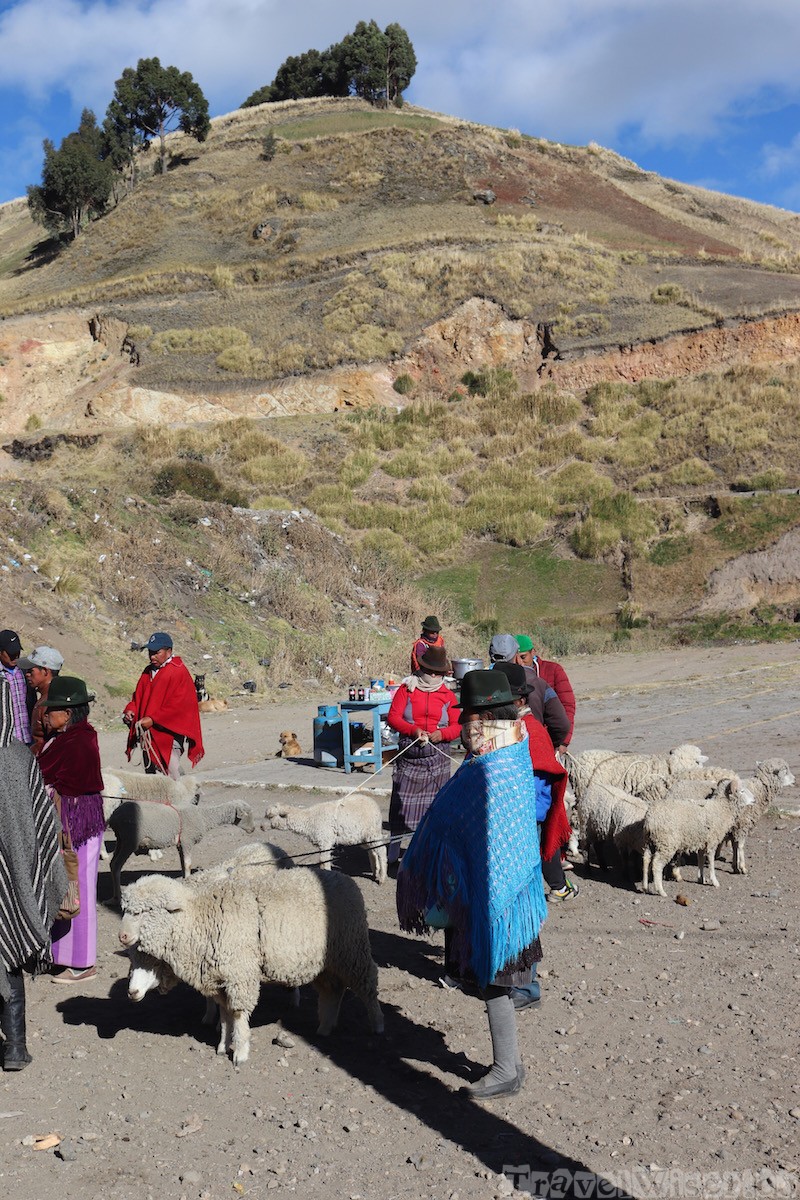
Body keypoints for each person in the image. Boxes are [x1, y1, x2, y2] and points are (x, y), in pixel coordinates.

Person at [397, 670, 548, 1100]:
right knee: (493, 981)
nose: (464, 727)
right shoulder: (511, 750)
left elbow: (465, 820)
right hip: (509, 889)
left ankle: (505, 1070)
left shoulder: (489, 767)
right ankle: (511, 1064)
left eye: (468, 717)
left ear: (482, 718)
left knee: (492, 981)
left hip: (493, 900)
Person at [0, 676, 67, 1067]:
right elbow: (42, 825)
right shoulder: (19, 758)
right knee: (9, 951)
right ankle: (15, 1046)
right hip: (14, 873)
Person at [492, 663, 578, 920]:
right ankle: (558, 888)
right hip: (521, 807)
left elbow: (541, 779)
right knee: (539, 849)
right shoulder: (512, 729)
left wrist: (522, 808)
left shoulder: (530, 731)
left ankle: (538, 895)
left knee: (535, 850)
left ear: (517, 700)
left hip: (531, 807)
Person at [38, 676, 106, 983]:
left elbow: (44, 771)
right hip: (75, 820)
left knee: (79, 888)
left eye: (51, 710)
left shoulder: (74, 741)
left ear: (68, 712)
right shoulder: (73, 736)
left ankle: (82, 963)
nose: (46, 715)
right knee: (68, 885)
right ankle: (63, 956)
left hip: (78, 822)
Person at [386, 645, 461, 864]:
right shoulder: (407, 689)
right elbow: (393, 717)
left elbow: (457, 725)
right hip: (410, 754)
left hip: (437, 757)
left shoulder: (448, 695)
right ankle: (395, 845)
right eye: (430, 671)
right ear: (422, 669)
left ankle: (430, 849)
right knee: (401, 804)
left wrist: (442, 734)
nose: (433, 676)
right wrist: (413, 730)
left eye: (438, 673)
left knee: (435, 807)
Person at [123, 632, 204, 779]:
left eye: (156, 652)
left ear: (169, 651)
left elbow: (179, 705)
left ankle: (190, 793)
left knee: (171, 769)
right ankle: (163, 801)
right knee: (152, 773)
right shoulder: (148, 672)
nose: (152, 656)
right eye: (150, 652)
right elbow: (138, 697)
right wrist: (131, 710)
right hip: (148, 732)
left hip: (170, 731)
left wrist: (153, 719)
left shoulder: (179, 671)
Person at [489, 634, 570, 749]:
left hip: (496, 753)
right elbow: (561, 724)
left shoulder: (484, 684)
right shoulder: (537, 683)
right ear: (516, 656)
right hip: (534, 748)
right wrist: (548, 744)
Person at [515, 635, 576, 749]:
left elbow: (568, 706)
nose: (520, 663)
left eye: (523, 657)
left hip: (549, 740)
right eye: (516, 658)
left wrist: (563, 742)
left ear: (533, 652)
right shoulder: (512, 677)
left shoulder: (553, 670)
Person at [19, 645, 64, 756]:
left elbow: (55, 744)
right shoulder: (48, 696)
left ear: (45, 671)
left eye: (31, 671)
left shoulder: (51, 703)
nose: (27, 674)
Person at [0, 629, 35, 746]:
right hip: (8, 742)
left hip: (29, 738)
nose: (15, 656)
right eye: (10, 653)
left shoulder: (26, 671)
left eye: (17, 651)